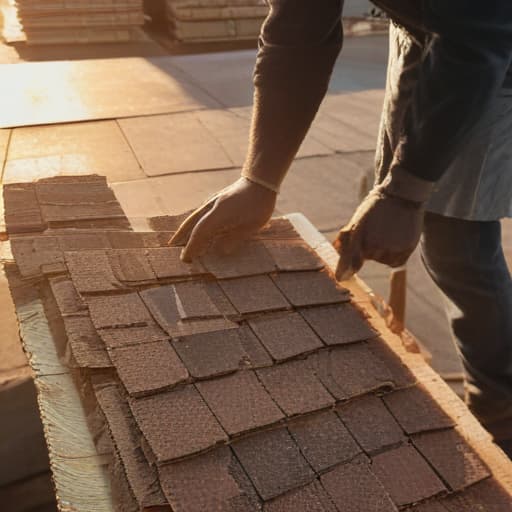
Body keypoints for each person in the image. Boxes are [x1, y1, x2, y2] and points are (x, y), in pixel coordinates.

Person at [170, 1, 512, 456]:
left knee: (456, 243)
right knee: (433, 224)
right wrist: (260, 179)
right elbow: (299, 29)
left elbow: (480, 38)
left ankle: (503, 417)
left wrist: (404, 193)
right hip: (433, 28)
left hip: (487, 35)